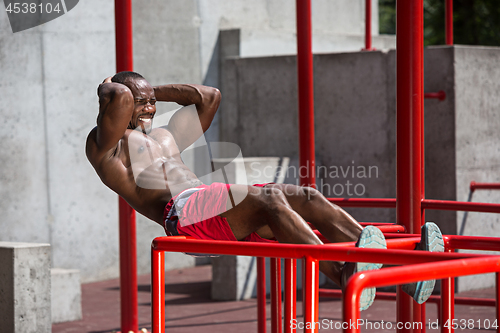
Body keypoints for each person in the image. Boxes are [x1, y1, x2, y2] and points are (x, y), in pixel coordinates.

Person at [86, 71, 442, 310]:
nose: (149, 108)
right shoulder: (108, 148)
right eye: (142, 102)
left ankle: (407, 270)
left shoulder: (164, 134)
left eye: (152, 102)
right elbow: (117, 96)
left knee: (306, 197)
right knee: (272, 198)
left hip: (213, 203)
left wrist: (150, 91)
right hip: (182, 214)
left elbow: (209, 97)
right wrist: (116, 87)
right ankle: (344, 275)